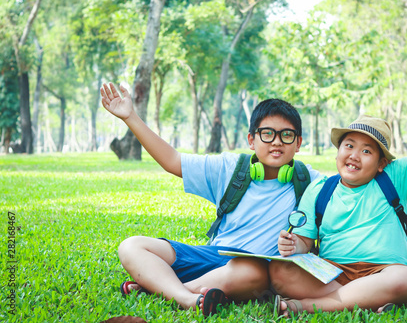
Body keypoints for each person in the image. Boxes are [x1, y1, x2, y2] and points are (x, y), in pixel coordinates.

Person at [99, 85, 321, 316]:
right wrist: (130, 117)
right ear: (251, 140)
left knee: (252, 271)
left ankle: (160, 289)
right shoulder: (230, 168)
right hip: (212, 254)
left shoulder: (311, 182)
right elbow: (173, 160)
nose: (277, 142)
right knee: (131, 246)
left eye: (286, 135)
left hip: (252, 269)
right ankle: (187, 298)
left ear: (298, 142)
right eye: (267, 133)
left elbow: (351, 185)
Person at [270, 54, 407, 316]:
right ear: (338, 152)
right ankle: (366, 298)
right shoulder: (321, 189)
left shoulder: (394, 178)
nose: (354, 155)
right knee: (279, 270)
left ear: (381, 163)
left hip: (384, 271)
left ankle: (311, 306)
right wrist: (293, 246)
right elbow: (305, 242)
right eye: (349, 145)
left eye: (367, 151)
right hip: (332, 273)